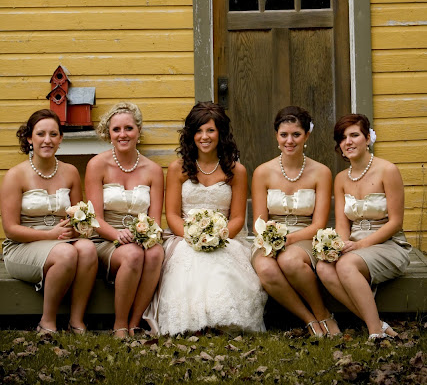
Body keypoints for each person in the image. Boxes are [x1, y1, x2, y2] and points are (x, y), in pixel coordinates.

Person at [154, 101, 267, 336]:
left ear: (221, 134)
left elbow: (236, 217)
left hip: (225, 237)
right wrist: (193, 237)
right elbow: (173, 215)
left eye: (210, 130)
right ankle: (192, 322)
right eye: (198, 131)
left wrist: (217, 237)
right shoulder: (178, 168)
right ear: (190, 135)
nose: (204, 136)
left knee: (220, 267)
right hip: (185, 237)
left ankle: (222, 320)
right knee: (190, 264)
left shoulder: (236, 170)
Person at [1, 109, 98, 334]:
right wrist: (50, 235)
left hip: (59, 240)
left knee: (87, 248)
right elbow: (11, 229)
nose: (47, 140)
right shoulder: (15, 176)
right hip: (22, 246)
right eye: (41, 134)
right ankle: (47, 321)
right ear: (29, 138)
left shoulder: (71, 172)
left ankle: (76, 321)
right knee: (66, 254)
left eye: (53, 134)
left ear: (60, 139)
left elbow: (77, 217)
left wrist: (76, 232)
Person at [316, 113, 411, 340]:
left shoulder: (387, 170)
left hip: (389, 243)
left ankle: (375, 333)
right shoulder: (340, 179)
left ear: (367, 138)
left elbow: (396, 221)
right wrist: (336, 245)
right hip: (355, 244)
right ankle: (379, 323)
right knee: (323, 267)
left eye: (354, 135)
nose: (348, 142)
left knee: (347, 265)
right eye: (342, 138)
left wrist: (360, 246)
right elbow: (342, 224)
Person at [252, 106, 340, 337]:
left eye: (296, 134)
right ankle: (308, 318)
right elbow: (259, 221)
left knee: (291, 261)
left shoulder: (321, 172)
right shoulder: (262, 172)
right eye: (283, 135)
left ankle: (322, 313)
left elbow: (318, 224)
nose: (289, 141)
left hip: (305, 235)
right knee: (266, 269)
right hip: (269, 237)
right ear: (276, 136)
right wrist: (271, 240)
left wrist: (287, 240)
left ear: (306, 136)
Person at [85, 102, 164, 338]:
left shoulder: (153, 170)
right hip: (105, 238)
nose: (123, 134)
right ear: (108, 134)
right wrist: (118, 235)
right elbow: (95, 219)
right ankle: (119, 324)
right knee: (132, 254)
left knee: (156, 253)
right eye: (116, 129)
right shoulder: (97, 165)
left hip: (141, 238)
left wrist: (145, 235)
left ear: (138, 131)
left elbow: (155, 220)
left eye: (128, 128)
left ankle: (135, 321)